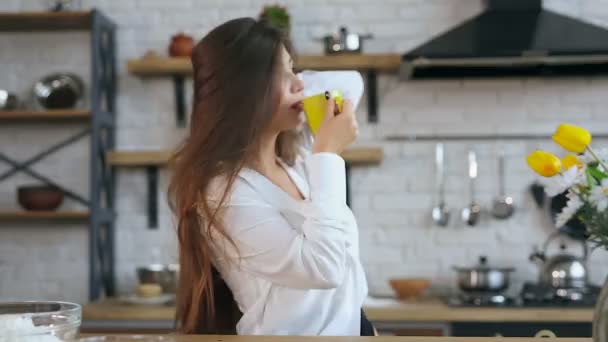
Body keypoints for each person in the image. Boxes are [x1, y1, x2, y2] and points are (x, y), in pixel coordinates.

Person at [168, 17, 372, 336]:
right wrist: (329, 155)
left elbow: (352, 83)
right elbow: (324, 268)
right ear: (242, 89)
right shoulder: (222, 193)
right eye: (279, 73)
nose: (299, 83)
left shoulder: (299, 166)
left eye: (294, 69)